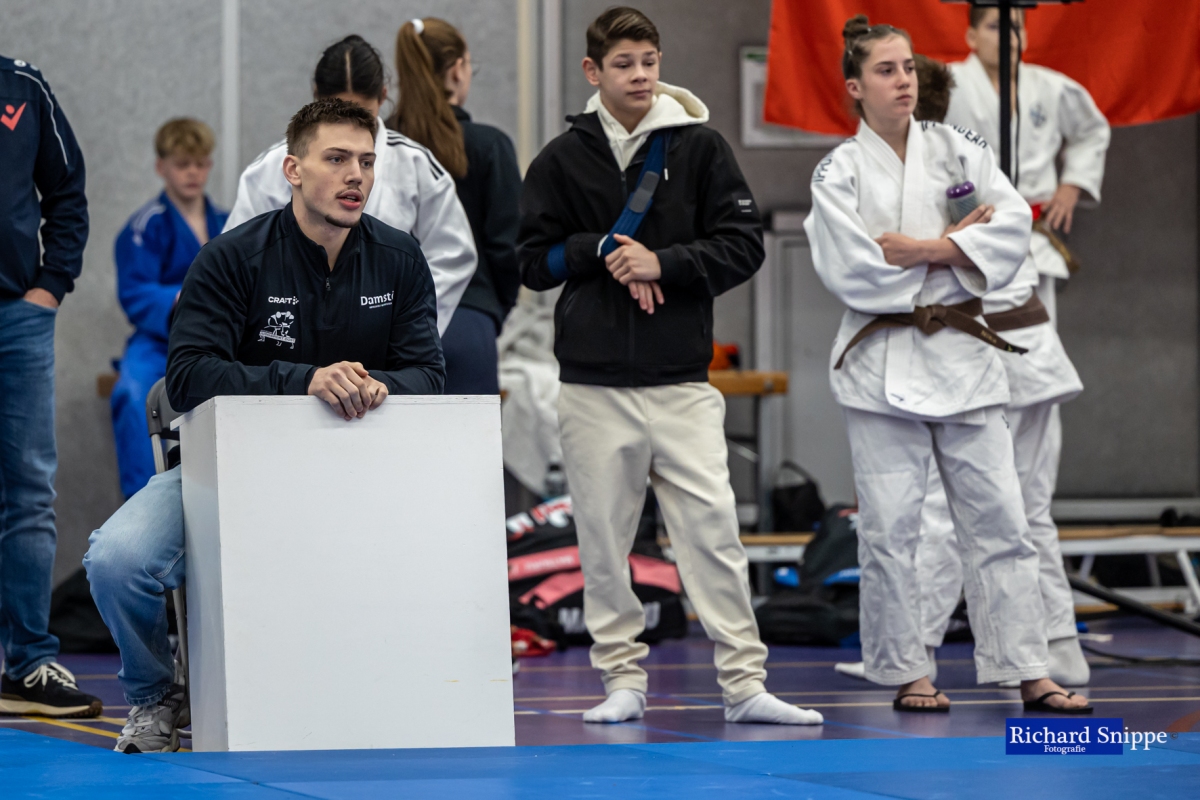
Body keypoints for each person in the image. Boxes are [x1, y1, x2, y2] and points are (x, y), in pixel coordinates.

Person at [84, 99, 445, 753]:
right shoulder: (231, 258)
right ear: (293, 170)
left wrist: (379, 386)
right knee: (116, 559)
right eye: (336, 159)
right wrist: (304, 380)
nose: (356, 175)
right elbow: (188, 377)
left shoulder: (400, 258)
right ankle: (155, 696)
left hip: (363, 474)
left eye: (367, 162)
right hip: (235, 472)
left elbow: (429, 374)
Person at [519, 7, 821, 726]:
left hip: (682, 381)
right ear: (593, 71)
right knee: (603, 541)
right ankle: (621, 679)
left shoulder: (701, 147)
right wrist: (601, 250)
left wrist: (666, 263)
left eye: (649, 61)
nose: (640, 76)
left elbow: (743, 244)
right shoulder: (560, 159)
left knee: (714, 534)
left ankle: (744, 684)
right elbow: (530, 263)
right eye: (624, 64)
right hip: (592, 384)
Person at [804, 16, 1089, 713]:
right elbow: (854, 269)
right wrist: (958, 248)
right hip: (883, 364)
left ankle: (1029, 669)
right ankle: (908, 672)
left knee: (1003, 521)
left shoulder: (961, 147)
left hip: (965, 358)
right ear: (855, 86)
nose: (903, 81)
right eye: (885, 70)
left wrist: (929, 251)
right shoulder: (838, 170)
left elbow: (1012, 229)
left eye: (908, 67)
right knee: (891, 528)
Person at [224, 34, 475, 337]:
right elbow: (237, 260)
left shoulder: (416, 165)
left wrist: (404, 321)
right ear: (316, 97)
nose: (349, 125)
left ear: (382, 97)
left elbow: (452, 255)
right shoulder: (269, 169)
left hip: (383, 329)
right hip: (291, 329)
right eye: (336, 111)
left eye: (362, 115)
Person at [0, 54, 102, 719]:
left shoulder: (23, 85)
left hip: (18, 316)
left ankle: (28, 665)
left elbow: (67, 190)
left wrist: (50, 285)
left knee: (30, 493)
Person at [944, 5, 1110, 325]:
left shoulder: (1049, 86)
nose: (1008, 37)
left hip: (1033, 234)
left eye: (1016, 27)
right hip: (971, 234)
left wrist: (1073, 184)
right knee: (974, 334)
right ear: (971, 36)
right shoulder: (948, 85)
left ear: (1026, 37)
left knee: (1036, 333)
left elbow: (1091, 131)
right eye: (996, 27)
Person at [390, 18, 522, 394]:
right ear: (457, 70)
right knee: (468, 435)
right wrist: (492, 307)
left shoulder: (378, 148)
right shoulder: (489, 145)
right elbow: (510, 248)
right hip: (468, 318)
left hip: (390, 323)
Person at [111, 119, 228, 499]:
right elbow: (135, 291)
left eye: (200, 163)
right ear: (161, 167)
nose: (193, 172)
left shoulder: (229, 223)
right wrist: (182, 298)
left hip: (218, 340)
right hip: (159, 341)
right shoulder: (144, 226)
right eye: (182, 164)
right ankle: (144, 502)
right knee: (131, 394)